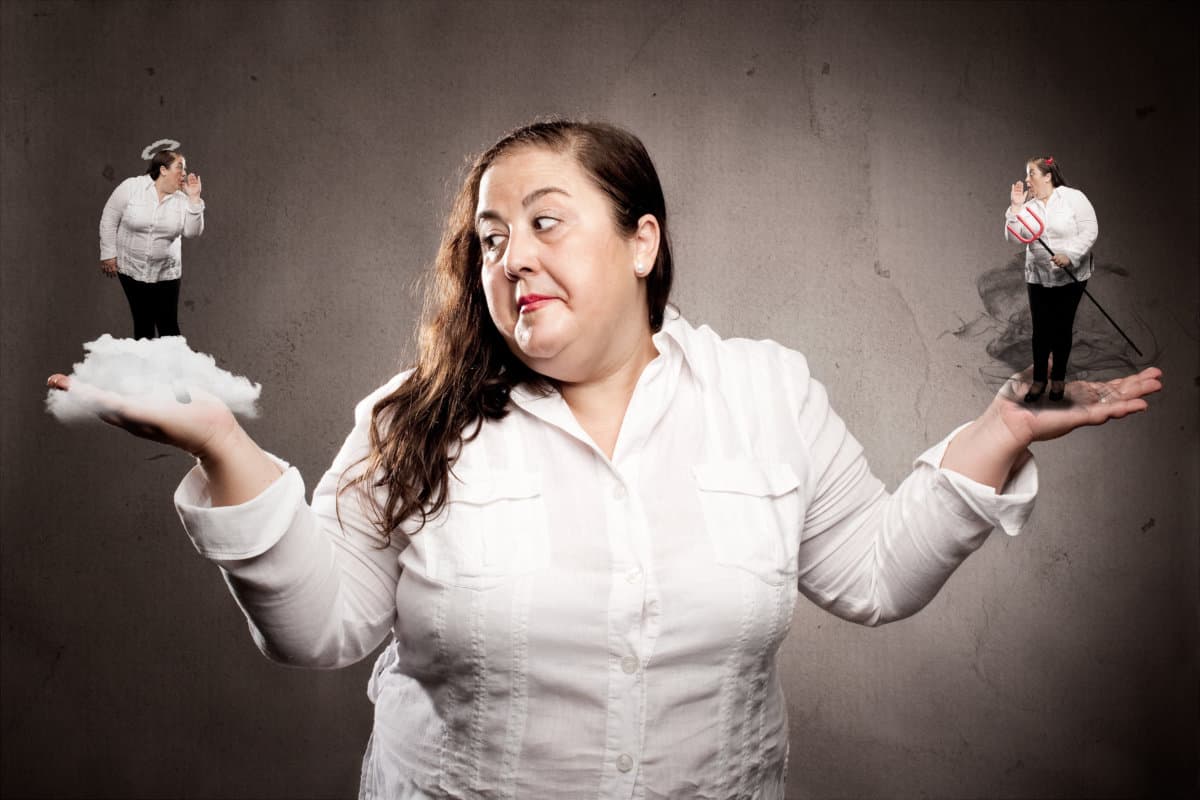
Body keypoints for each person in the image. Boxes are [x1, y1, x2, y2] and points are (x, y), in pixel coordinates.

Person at [49, 121, 1160, 799]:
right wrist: (223, 444)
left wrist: (1004, 429)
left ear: (643, 241)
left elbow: (871, 573)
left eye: (544, 222)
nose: (510, 257)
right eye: (489, 237)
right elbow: (314, 629)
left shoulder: (765, 390)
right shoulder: (412, 417)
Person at [1004, 156, 1098, 402]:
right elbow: (1015, 236)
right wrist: (1015, 208)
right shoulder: (1029, 206)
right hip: (1038, 276)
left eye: (1031, 174)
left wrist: (1071, 255)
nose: (1026, 180)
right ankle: (1039, 380)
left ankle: (1058, 379)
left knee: (1062, 328)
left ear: (1048, 176)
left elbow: (1090, 229)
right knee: (1040, 330)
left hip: (1071, 276)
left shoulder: (1073, 198)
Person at [99, 139, 205, 339]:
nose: (184, 173)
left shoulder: (183, 200)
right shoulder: (132, 187)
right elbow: (109, 218)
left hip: (167, 272)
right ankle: (145, 370)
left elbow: (192, 232)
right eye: (179, 167)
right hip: (131, 269)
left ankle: (175, 370)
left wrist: (194, 199)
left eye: (185, 169)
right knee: (143, 324)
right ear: (163, 170)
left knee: (169, 329)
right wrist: (108, 254)